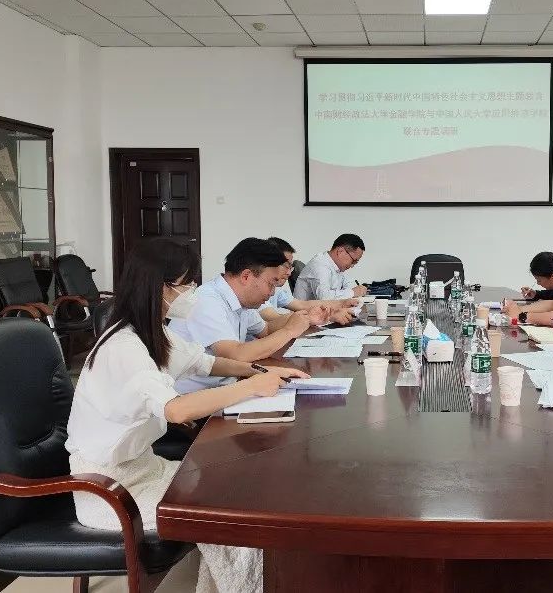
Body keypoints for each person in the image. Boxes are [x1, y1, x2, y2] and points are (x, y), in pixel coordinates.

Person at [65, 238, 309, 593]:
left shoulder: (151, 333)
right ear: (159, 287)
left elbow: (205, 363)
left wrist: (258, 371)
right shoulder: (123, 347)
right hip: (110, 490)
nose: (193, 292)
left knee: (242, 488)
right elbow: (176, 409)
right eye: (186, 284)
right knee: (233, 514)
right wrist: (252, 387)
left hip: (145, 468)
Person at [170, 238, 318, 393]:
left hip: (226, 387)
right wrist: (289, 331)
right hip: (194, 398)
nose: (272, 292)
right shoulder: (207, 300)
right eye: (271, 284)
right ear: (246, 276)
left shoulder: (240, 300)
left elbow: (266, 329)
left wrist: (305, 318)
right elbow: (236, 355)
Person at [260, 236, 358, 327]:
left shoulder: (276, 289)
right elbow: (274, 318)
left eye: (290, 267)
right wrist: (328, 317)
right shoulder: (258, 287)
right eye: (286, 266)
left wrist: (342, 303)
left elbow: (302, 304)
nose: (289, 273)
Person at [293, 233, 368, 301]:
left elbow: (349, 284)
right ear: (340, 251)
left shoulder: (337, 266)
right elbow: (324, 298)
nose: (352, 266)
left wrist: (356, 290)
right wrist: (352, 292)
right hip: (306, 311)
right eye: (353, 261)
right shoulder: (320, 265)